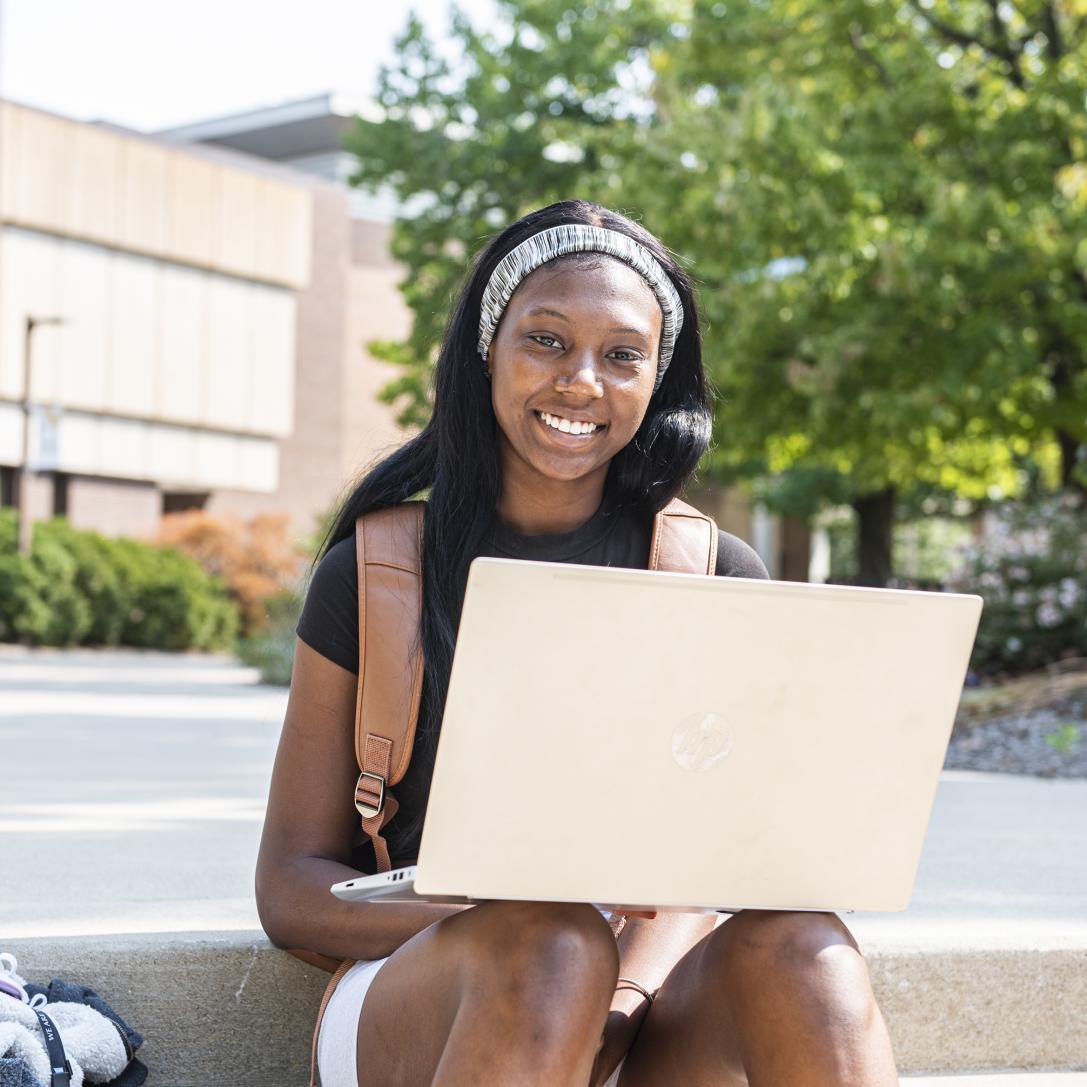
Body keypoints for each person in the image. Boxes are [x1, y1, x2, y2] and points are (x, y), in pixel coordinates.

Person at [255, 200, 900, 1087]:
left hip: (636, 998)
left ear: (655, 379)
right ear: (489, 350)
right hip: (427, 992)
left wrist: (621, 988)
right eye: (547, 340)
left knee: (807, 949)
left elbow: (719, 869)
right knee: (548, 945)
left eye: (622, 355)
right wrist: (514, 924)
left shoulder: (710, 571)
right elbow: (289, 889)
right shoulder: (377, 573)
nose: (581, 380)